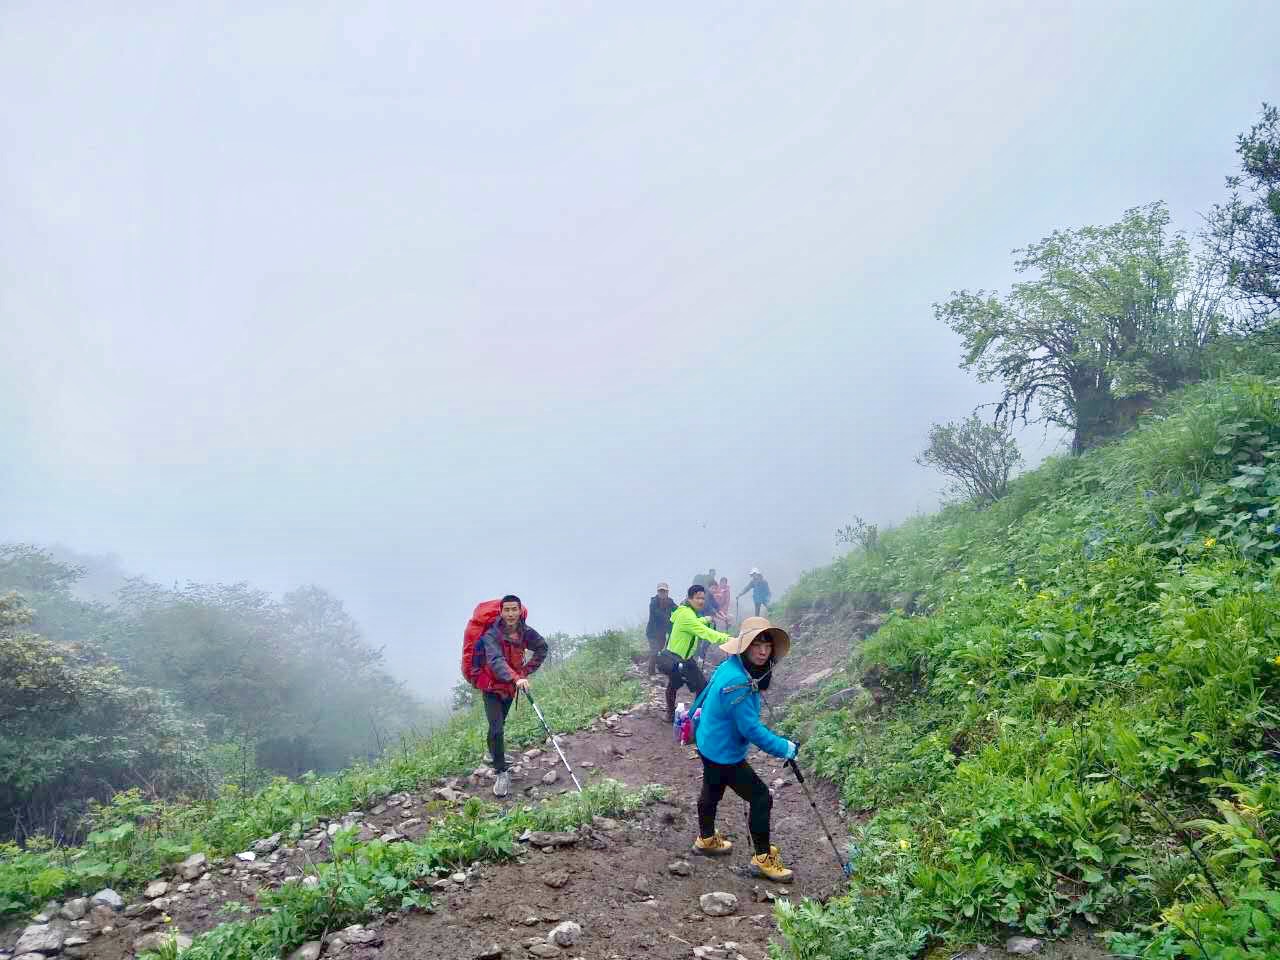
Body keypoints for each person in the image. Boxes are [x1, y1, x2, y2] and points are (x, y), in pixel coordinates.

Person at [691, 616, 798, 882]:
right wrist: (785, 747)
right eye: (756, 644)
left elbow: (706, 692)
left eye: (767, 645)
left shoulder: (731, 665)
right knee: (761, 797)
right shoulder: (737, 683)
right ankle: (763, 858)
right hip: (724, 752)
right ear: (745, 646)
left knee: (712, 789)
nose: (763, 651)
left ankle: (705, 839)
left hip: (709, 740)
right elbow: (751, 730)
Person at [476, 594, 548, 798]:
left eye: (513, 609)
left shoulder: (525, 632)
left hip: (510, 687)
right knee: (496, 728)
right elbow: (496, 660)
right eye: (506, 610)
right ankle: (501, 772)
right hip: (491, 687)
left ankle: (492, 753)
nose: (510, 614)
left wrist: (525, 672)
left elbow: (542, 648)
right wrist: (517, 678)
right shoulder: (491, 635)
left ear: (519, 610)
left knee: (499, 725)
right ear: (501, 611)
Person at [661, 584, 735, 723]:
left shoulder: (685, 612)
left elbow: (694, 623)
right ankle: (690, 717)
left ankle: (686, 716)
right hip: (677, 659)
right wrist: (727, 638)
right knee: (695, 687)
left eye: (703, 598)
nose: (701, 601)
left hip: (684, 658)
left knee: (682, 685)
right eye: (697, 598)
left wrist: (706, 619)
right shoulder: (687, 614)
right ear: (689, 598)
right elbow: (703, 631)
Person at [645, 582, 678, 676]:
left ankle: (659, 667)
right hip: (652, 633)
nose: (662, 593)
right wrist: (671, 621)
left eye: (664, 591)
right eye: (660, 591)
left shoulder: (670, 601)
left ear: (667, 592)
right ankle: (651, 673)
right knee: (655, 651)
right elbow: (659, 614)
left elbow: (677, 609)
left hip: (662, 633)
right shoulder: (653, 603)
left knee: (660, 651)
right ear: (658, 592)